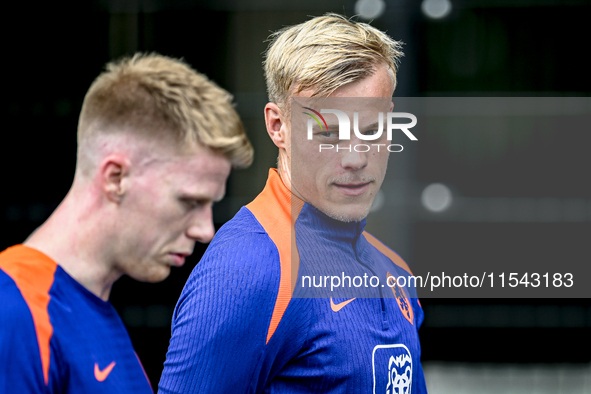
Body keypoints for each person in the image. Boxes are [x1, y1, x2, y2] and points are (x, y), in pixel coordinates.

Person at [159, 14, 427, 393]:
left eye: (371, 130)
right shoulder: (247, 270)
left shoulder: (394, 272)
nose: (356, 157)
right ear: (278, 126)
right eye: (329, 133)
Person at [0, 53, 253, 393]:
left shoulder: (94, 315)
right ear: (116, 178)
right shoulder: (14, 313)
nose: (205, 230)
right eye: (190, 202)